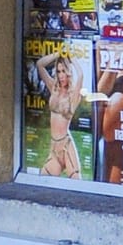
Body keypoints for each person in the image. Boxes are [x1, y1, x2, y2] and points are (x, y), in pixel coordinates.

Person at [35, 50, 86, 178]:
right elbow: (40, 65)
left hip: (66, 146)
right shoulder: (54, 88)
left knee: (76, 183)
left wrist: (71, 56)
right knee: (43, 181)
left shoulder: (74, 95)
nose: (61, 75)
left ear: (68, 72)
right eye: (58, 71)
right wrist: (58, 54)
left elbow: (80, 74)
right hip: (54, 149)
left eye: (64, 71)